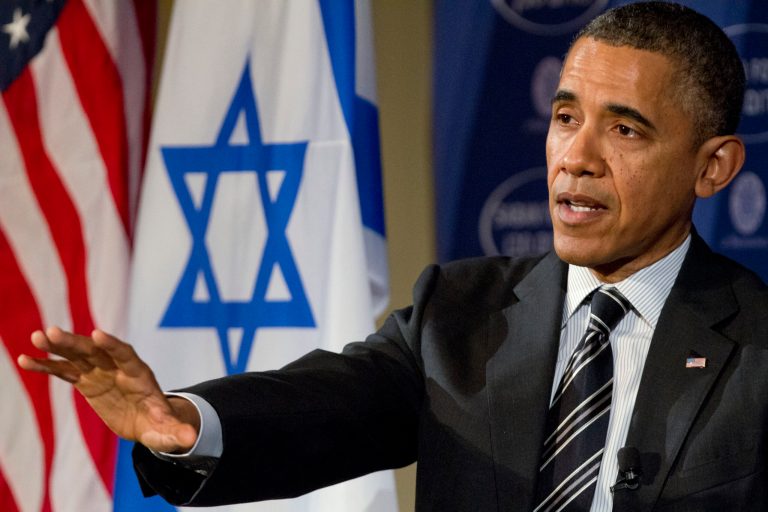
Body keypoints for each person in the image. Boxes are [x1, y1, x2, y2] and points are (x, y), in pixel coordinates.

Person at [17, 2, 768, 511]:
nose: (576, 157)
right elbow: (328, 405)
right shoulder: (461, 314)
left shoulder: (756, 349)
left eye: (626, 130)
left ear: (714, 167)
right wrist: (186, 422)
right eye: (566, 116)